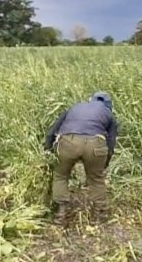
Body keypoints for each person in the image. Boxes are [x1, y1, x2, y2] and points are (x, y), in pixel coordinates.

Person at [44, 91, 118, 225]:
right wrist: (104, 164)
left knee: (60, 176)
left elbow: (52, 132)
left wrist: (48, 150)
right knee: (96, 179)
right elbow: (111, 144)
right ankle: (100, 215)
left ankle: (61, 213)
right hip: (95, 144)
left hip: (68, 142)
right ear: (108, 104)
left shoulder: (75, 107)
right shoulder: (109, 115)